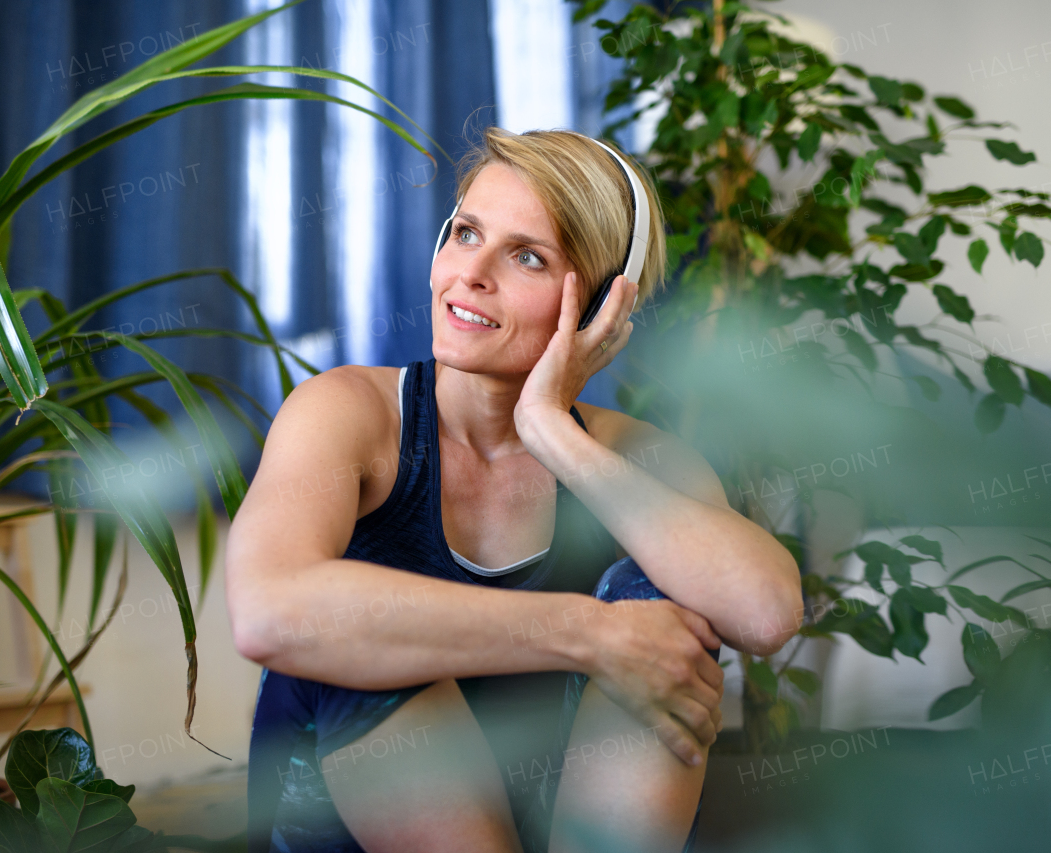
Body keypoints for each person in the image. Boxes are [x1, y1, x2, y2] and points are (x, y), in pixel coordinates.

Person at [226, 127, 803, 853]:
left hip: (558, 829)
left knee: (666, 592)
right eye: (465, 233)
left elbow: (768, 610)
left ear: (597, 310)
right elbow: (266, 612)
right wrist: (591, 636)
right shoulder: (348, 413)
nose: (469, 272)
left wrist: (550, 428)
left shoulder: (636, 453)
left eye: (526, 255)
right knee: (353, 618)